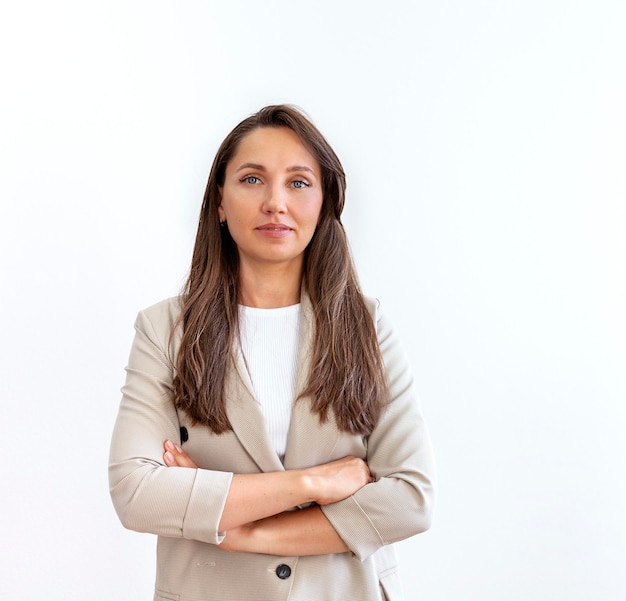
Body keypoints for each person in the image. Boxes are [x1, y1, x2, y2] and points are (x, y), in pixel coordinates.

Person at [109, 104, 436, 601]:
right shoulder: (165, 329)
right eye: (252, 179)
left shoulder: (366, 326)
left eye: (299, 182)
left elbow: (410, 499)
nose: (275, 202)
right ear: (219, 201)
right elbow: (136, 493)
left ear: (326, 203)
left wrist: (243, 531)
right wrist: (311, 484)